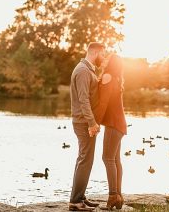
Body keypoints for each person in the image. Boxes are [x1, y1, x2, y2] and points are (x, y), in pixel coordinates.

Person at [69, 42, 105, 211]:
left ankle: (79, 196)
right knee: (85, 160)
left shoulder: (87, 69)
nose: (103, 58)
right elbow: (83, 100)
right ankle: (76, 201)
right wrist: (92, 123)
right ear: (95, 52)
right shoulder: (83, 71)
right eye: (102, 54)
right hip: (84, 123)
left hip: (84, 121)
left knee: (84, 160)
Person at [95, 54, 127, 210]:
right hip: (119, 125)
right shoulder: (116, 78)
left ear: (111, 63)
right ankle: (119, 196)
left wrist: (94, 123)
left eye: (108, 58)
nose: (105, 59)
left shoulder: (107, 76)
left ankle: (113, 196)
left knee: (107, 158)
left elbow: (103, 103)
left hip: (114, 125)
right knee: (115, 160)